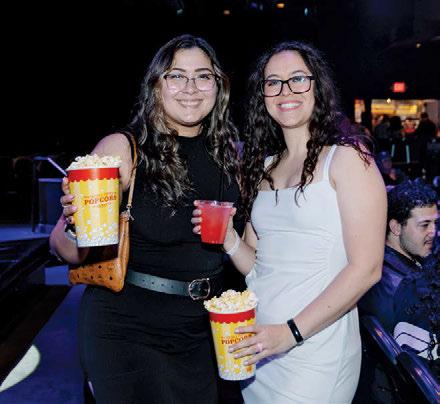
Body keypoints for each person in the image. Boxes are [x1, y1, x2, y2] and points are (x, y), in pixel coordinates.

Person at [49, 34, 243, 404]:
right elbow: (61, 247)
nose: (190, 88)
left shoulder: (230, 155)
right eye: (176, 76)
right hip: (126, 329)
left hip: (200, 334)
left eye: (203, 76)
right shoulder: (123, 149)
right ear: (156, 85)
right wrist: (75, 225)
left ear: (218, 87)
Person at [193, 40, 387, 403]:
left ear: (318, 86)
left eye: (298, 78)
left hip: (315, 350)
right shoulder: (265, 167)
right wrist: (229, 239)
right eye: (273, 82)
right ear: (263, 95)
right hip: (260, 345)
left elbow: (367, 269)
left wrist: (291, 333)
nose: (286, 91)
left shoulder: (347, 159)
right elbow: (259, 267)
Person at [359, 180, 438, 333]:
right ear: (396, 227)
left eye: (436, 223)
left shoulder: (379, 258)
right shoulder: (399, 285)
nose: (433, 232)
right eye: (425, 225)